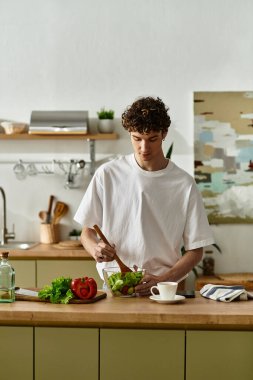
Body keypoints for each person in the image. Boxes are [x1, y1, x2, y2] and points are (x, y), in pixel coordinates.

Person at [74, 96, 214, 295]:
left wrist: (162, 280)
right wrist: (95, 249)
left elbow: (196, 250)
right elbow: (86, 233)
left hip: (163, 290)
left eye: (152, 139)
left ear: (164, 134)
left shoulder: (184, 184)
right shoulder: (107, 175)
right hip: (114, 285)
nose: (144, 148)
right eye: (137, 138)